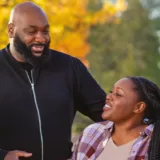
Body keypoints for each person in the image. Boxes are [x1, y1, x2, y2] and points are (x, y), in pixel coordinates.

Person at [0, 2, 106, 160]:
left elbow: (107, 114)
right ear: (11, 30)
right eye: (32, 31)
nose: (41, 38)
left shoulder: (69, 67)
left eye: (45, 31)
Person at [72, 76, 160, 160]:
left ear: (139, 107)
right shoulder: (91, 133)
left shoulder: (155, 142)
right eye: (111, 92)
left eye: (118, 94)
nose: (108, 96)